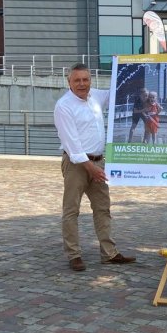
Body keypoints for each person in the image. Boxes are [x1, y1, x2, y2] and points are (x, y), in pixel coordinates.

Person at [54, 63, 136, 272]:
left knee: (103, 208)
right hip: (77, 165)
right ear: (69, 82)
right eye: (77, 80)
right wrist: (91, 168)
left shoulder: (96, 97)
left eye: (85, 79)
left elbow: (123, 88)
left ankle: (109, 253)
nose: (82, 84)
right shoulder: (64, 106)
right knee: (71, 210)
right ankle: (74, 255)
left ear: (91, 80)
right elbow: (72, 145)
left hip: (98, 162)